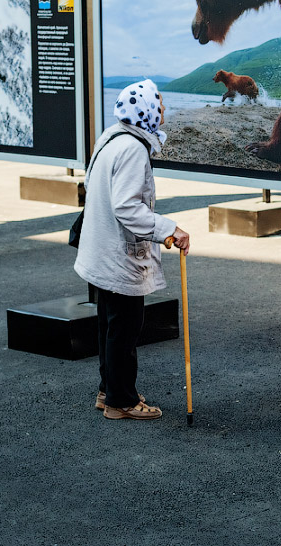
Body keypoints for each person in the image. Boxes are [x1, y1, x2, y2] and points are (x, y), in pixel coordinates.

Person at [74, 80, 191, 420]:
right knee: (124, 329)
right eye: (160, 104)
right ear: (147, 111)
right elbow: (127, 208)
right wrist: (170, 230)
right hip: (119, 256)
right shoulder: (133, 149)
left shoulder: (111, 137)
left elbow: (91, 185)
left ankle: (108, 390)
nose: (164, 109)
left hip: (101, 250)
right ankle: (121, 401)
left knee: (110, 326)